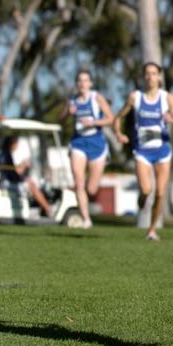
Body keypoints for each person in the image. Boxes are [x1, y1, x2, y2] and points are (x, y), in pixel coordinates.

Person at [113, 62, 173, 241]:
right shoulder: (135, 97)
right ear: (143, 77)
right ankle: (142, 199)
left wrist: (172, 120)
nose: (150, 77)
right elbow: (118, 117)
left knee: (160, 193)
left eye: (154, 73)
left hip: (162, 150)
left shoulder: (166, 98)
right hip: (142, 151)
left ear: (159, 77)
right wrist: (119, 134)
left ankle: (152, 230)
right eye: (147, 74)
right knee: (146, 190)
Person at [61, 70, 114, 229]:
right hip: (78, 143)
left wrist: (94, 122)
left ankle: (86, 212)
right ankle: (86, 219)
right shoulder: (72, 101)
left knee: (91, 189)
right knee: (78, 182)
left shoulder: (96, 98)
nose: (82, 84)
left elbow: (110, 118)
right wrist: (67, 113)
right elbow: (61, 120)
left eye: (85, 80)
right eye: (79, 80)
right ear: (77, 83)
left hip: (96, 144)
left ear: (90, 83)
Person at [0, 135, 54, 216]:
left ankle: (41, 208)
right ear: (12, 144)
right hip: (8, 183)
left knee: (29, 181)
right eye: (16, 144)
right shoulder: (5, 155)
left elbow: (12, 169)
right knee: (31, 185)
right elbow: (14, 172)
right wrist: (23, 165)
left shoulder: (2, 153)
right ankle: (48, 209)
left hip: (10, 181)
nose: (17, 146)